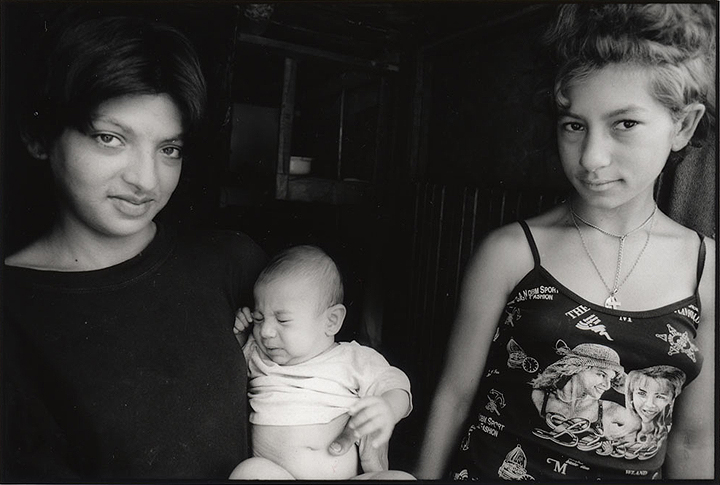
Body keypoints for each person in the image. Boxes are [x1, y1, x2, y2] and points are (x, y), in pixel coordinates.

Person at [415, 4, 715, 480]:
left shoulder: (706, 269)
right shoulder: (510, 253)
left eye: (624, 123)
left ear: (683, 126)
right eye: (574, 125)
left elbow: (694, 439)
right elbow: (453, 398)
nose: (591, 158)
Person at [0, 11, 272, 480]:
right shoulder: (12, 314)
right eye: (110, 138)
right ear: (39, 136)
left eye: (169, 149)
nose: (146, 180)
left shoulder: (232, 263)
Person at [230, 245, 414, 479]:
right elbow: (229, 366)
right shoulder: (258, 355)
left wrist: (387, 408)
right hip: (279, 475)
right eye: (259, 318)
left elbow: (395, 383)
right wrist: (239, 332)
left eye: (282, 320)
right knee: (248, 472)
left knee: (402, 479)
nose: (265, 331)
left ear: (331, 321)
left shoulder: (351, 358)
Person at [624, 366, 686, 453]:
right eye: (642, 393)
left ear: (671, 400)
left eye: (660, 397)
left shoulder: (670, 429)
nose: (650, 404)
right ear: (631, 395)